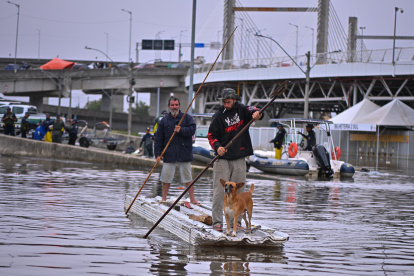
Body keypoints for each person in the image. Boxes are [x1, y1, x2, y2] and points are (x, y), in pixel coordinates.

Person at [208, 88, 262, 232]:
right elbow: (211, 136)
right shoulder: (218, 116)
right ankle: (217, 221)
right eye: (224, 102)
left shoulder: (243, 109)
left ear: (234, 100)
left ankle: (235, 222)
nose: (226, 104)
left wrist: (257, 114)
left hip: (239, 156)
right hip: (222, 158)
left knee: (239, 191)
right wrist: (217, 147)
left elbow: (254, 110)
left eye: (229, 102)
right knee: (220, 191)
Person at [154, 96, 198, 204]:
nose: (174, 107)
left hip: (184, 152)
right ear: (169, 106)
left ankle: (192, 199)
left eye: (176, 105)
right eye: (172, 105)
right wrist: (158, 154)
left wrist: (181, 130)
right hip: (169, 153)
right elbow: (158, 138)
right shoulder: (164, 121)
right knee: (166, 177)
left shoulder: (187, 118)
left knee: (188, 177)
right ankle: (164, 198)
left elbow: (192, 129)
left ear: (179, 106)